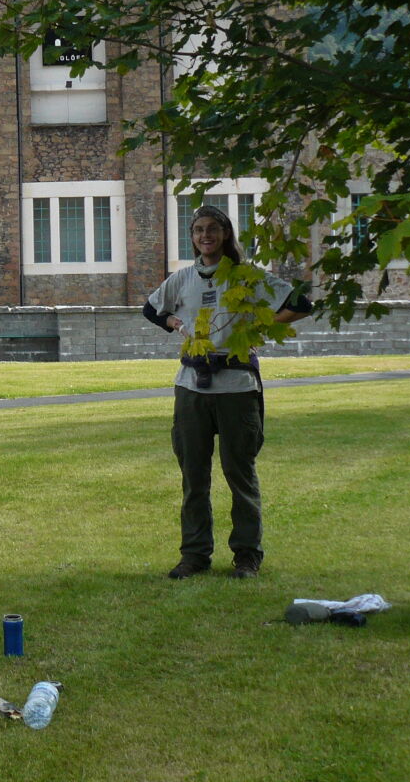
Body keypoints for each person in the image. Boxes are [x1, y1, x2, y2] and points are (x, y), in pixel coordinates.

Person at [144, 205, 312, 579]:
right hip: (191, 387)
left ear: (226, 235)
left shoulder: (247, 277)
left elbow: (299, 304)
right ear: (192, 237)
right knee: (193, 476)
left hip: (237, 386)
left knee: (241, 473)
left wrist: (256, 328)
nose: (206, 236)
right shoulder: (183, 279)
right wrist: (173, 321)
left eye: (213, 229)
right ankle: (195, 556)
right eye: (199, 230)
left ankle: (247, 556)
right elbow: (150, 309)